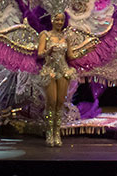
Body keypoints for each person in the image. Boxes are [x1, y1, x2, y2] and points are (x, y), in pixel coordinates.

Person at [37, 12, 76, 146]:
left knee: (59, 103)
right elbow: (39, 53)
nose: (59, 22)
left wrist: (87, 50)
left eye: (62, 20)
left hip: (63, 71)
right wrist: (47, 52)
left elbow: (70, 56)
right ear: (52, 20)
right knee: (51, 103)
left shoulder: (66, 37)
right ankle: (49, 134)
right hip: (49, 71)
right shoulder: (45, 35)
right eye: (57, 19)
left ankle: (57, 133)